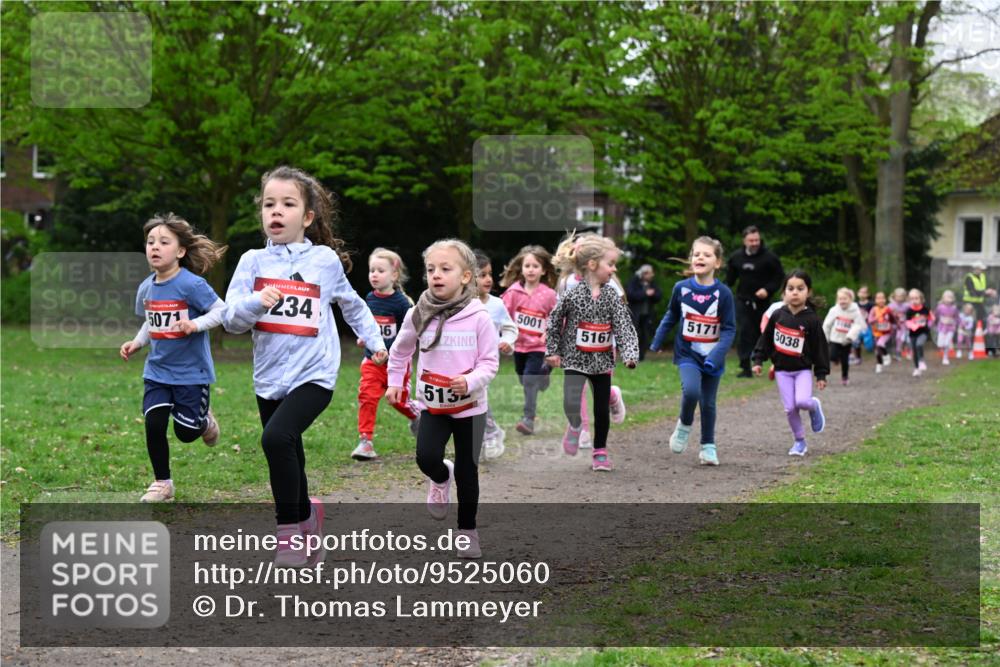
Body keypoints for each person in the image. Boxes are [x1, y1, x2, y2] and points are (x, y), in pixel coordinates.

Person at [223, 166, 386, 567]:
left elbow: (351, 303)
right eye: (269, 204)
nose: (276, 211)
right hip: (269, 376)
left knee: (276, 439)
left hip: (316, 373)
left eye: (288, 204)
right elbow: (230, 320)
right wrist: (254, 303)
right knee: (288, 449)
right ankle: (309, 517)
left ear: (308, 217)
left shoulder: (324, 261)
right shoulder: (251, 261)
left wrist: (376, 342)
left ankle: (289, 536)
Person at [387, 239, 499, 559]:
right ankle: (440, 476)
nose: (436, 275)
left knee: (468, 471)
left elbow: (490, 363)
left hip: (470, 407)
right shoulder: (418, 313)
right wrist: (396, 382)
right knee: (425, 457)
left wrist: (471, 381)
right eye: (431, 269)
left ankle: (467, 532)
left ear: (466, 277)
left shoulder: (479, 317)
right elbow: (401, 351)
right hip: (434, 406)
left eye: (445, 269)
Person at [120, 214, 227, 503]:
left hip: (192, 373)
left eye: (164, 242)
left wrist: (196, 324)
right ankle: (162, 483)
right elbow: (151, 322)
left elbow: (221, 311)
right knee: (154, 423)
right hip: (157, 371)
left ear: (180, 251)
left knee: (186, 432)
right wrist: (138, 342)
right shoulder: (147, 287)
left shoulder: (192, 285)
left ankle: (204, 422)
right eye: (150, 242)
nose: (155, 247)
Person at [545, 235, 639, 472]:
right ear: (593, 265)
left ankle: (600, 451)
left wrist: (629, 353)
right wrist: (553, 351)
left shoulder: (611, 295)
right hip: (575, 357)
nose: (614, 269)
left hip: (601, 359)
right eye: (611, 264)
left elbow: (623, 325)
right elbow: (555, 321)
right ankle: (575, 426)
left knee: (600, 408)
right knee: (571, 402)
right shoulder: (572, 293)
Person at [650, 237, 736, 466]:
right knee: (691, 392)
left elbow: (729, 330)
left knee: (708, 403)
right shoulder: (682, 288)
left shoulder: (723, 294)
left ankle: (708, 446)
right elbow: (671, 316)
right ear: (691, 259)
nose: (700, 258)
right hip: (687, 354)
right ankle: (684, 425)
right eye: (696, 254)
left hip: (713, 357)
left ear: (717, 263)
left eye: (707, 255)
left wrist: (716, 356)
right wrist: (657, 341)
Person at [352, 248, 423, 461]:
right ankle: (366, 441)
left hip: (397, 364)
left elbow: (409, 334)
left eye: (380, 270)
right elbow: (368, 324)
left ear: (394, 275)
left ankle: (418, 415)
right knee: (367, 396)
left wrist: (393, 354)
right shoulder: (369, 298)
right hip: (372, 361)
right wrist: (364, 338)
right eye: (371, 270)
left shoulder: (403, 304)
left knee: (397, 400)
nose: (374, 274)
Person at [752, 269, 829, 457]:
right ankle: (799, 441)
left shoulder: (811, 319)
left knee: (802, 401)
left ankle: (813, 406)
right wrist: (758, 359)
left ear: (808, 292)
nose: (795, 292)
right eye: (791, 288)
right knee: (790, 408)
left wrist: (821, 373)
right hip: (781, 370)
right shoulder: (778, 315)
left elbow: (820, 347)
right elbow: (766, 339)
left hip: (802, 369)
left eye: (800, 288)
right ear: (784, 292)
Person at [500, 245, 558, 436]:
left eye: (535, 266)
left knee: (528, 380)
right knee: (523, 377)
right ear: (521, 269)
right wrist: (504, 336)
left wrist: (549, 331)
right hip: (519, 346)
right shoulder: (513, 293)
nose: (531, 269)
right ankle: (544, 374)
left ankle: (528, 419)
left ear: (543, 270)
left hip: (538, 346)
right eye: (527, 266)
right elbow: (503, 316)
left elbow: (558, 317)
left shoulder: (549, 294)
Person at [474, 250, 518, 460]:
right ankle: (485, 434)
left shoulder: (496, 304)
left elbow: (510, 328)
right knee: (471, 400)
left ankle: (491, 432)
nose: (489, 279)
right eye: (482, 275)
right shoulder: (460, 305)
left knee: (478, 395)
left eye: (489, 274)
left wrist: (507, 341)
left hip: (487, 363)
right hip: (463, 362)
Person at [725, 226, 785, 378]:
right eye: (751, 240)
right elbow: (730, 279)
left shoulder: (770, 258)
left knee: (766, 333)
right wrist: (720, 291)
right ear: (744, 241)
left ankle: (774, 364)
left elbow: (779, 278)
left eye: (757, 240)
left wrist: (768, 289)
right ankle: (745, 367)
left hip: (763, 303)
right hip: (743, 300)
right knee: (745, 331)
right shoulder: (736, 258)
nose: (754, 243)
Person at [822, 287, 867, 386]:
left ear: (850, 299)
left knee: (845, 360)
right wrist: (825, 337)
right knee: (832, 356)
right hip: (835, 338)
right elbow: (827, 324)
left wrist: (850, 336)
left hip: (847, 340)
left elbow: (859, 325)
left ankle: (845, 376)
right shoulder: (834, 310)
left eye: (845, 299)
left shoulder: (855, 311)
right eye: (840, 299)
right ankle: (836, 359)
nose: (842, 301)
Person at [626, 264, 662, 361]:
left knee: (645, 335)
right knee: (634, 335)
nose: (652, 275)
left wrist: (653, 294)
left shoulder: (652, 284)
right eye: (650, 274)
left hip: (647, 315)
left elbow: (658, 295)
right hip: (635, 314)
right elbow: (630, 295)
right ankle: (632, 355)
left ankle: (641, 357)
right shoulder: (634, 282)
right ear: (644, 274)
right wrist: (645, 293)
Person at [902, 288, 934, 377]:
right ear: (909, 300)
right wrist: (914, 326)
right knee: (914, 351)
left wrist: (929, 325)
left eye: (916, 298)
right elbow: (907, 322)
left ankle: (922, 361)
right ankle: (917, 368)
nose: (914, 301)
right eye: (912, 299)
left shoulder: (925, 309)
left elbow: (931, 318)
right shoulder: (909, 310)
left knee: (919, 344)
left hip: (923, 332)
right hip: (913, 333)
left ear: (921, 299)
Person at [868, 291, 896, 372]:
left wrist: (894, 326)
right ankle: (879, 364)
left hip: (886, 333)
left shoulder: (888, 309)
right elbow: (869, 320)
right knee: (877, 351)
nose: (880, 300)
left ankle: (886, 356)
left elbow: (893, 319)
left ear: (885, 299)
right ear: (875, 300)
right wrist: (875, 319)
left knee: (880, 344)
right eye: (878, 298)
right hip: (876, 332)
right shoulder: (874, 309)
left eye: (882, 298)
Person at [933, 290, 958, 365]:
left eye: (950, 297)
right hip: (941, 327)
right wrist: (931, 322)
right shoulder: (940, 307)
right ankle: (943, 349)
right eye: (947, 297)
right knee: (940, 344)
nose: (948, 299)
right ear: (943, 298)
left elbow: (957, 317)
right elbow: (935, 316)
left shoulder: (954, 308)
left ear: (953, 299)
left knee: (947, 343)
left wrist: (959, 323)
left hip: (951, 328)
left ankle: (945, 357)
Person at [850, 285, 874, 365]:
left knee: (869, 345)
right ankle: (857, 357)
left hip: (867, 326)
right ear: (858, 293)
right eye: (861, 292)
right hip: (858, 326)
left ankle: (873, 350)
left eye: (865, 292)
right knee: (855, 341)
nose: (862, 294)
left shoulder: (871, 304)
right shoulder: (855, 304)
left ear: (868, 294)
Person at [889, 287, 910, 361]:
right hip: (893, 324)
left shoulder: (907, 305)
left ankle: (899, 353)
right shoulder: (891, 305)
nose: (899, 298)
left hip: (903, 325)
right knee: (893, 338)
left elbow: (912, 313)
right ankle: (892, 352)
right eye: (897, 296)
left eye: (901, 296)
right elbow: (888, 315)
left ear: (904, 297)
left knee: (900, 338)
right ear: (894, 296)